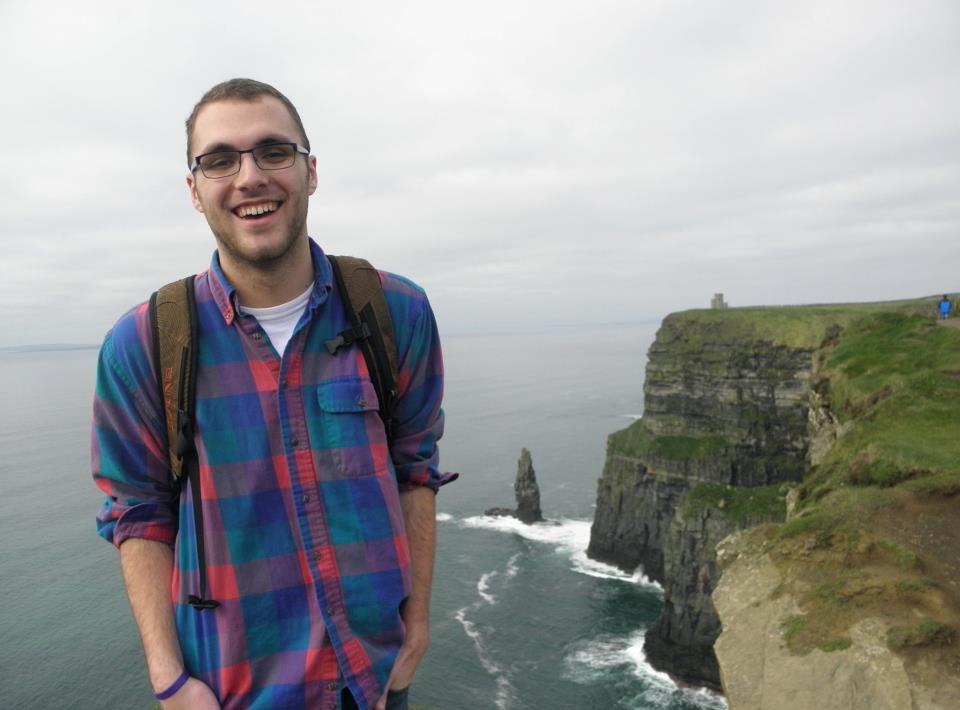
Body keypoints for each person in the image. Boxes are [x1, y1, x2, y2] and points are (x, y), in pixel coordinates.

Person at [92, 78, 454, 710]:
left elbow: (413, 469)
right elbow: (137, 512)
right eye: (219, 160)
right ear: (195, 189)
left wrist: (416, 625)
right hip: (233, 692)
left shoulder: (396, 311)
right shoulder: (144, 343)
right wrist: (168, 678)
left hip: (371, 683)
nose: (249, 176)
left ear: (310, 171)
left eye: (273, 152)